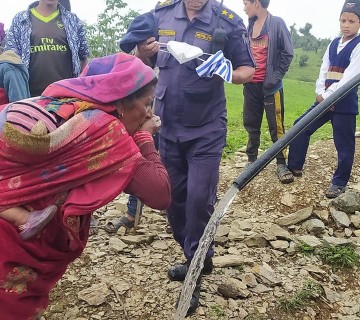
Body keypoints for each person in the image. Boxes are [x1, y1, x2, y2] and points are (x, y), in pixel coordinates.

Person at [0, 52, 171, 319]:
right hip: (12, 246)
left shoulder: (61, 106)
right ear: (123, 102)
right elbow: (159, 193)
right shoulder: (104, 133)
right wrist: (143, 137)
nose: (150, 113)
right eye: (148, 104)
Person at [123, 0, 256, 314]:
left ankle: (194, 271)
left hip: (207, 127)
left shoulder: (227, 21)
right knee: (174, 200)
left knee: (199, 199)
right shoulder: (161, 15)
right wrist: (143, 50)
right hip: (167, 124)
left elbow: (248, 69)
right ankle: (197, 253)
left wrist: (229, 72)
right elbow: (138, 58)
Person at [287, 0, 360, 198]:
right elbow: (323, 69)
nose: (346, 24)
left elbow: (349, 78)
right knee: (300, 125)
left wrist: (327, 96)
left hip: (344, 104)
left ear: (359, 23)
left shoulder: (358, 46)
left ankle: (339, 183)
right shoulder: (334, 43)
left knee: (343, 144)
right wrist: (320, 91)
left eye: (351, 21)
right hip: (324, 101)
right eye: (343, 20)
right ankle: (294, 166)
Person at [242, 0, 294, 183]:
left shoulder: (277, 23)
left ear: (256, 2)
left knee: (276, 126)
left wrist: (275, 77)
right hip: (250, 86)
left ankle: (281, 163)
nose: (244, 7)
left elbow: (288, 53)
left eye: (246, 3)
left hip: (271, 87)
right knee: (251, 124)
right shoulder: (249, 24)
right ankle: (251, 160)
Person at [4, 0, 89, 97]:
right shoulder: (21, 20)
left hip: (66, 98)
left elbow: (83, 57)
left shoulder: (73, 21)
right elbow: (10, 59)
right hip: (30, 98)